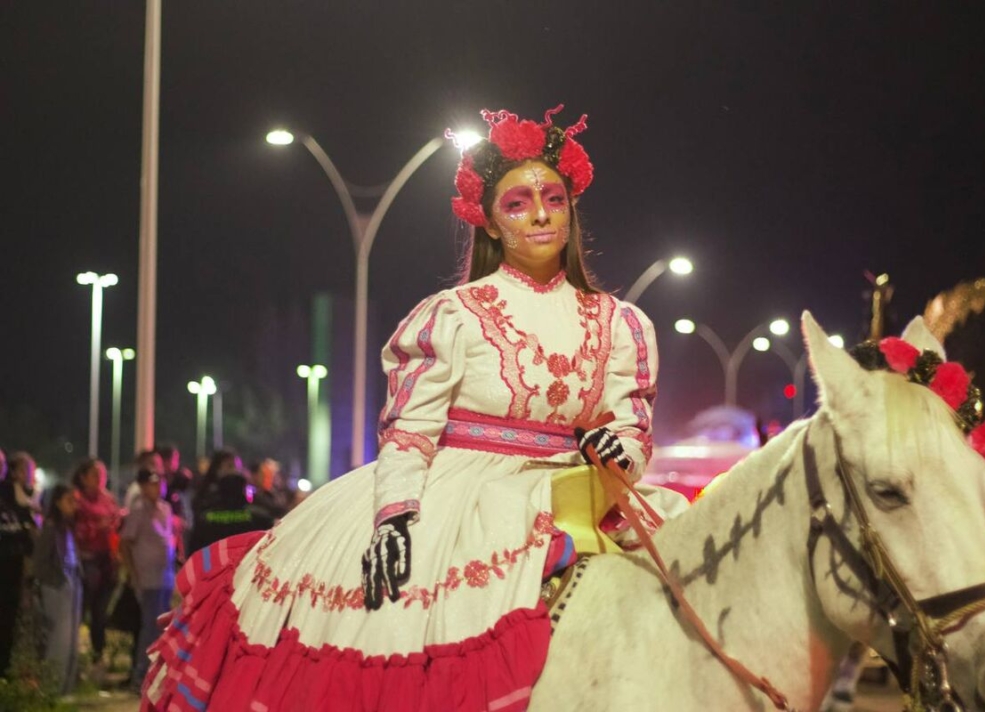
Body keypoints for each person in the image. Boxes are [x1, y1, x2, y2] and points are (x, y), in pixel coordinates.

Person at [141, 107, 686, 711]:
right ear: (491, 224)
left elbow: (630, 424)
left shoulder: (620, 323)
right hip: (465, 502)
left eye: (553, 198)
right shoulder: (453, 314)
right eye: (518, 203)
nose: (539, 212)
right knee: (405, 641)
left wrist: (621, 452)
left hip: (578, 492)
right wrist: (396, 515)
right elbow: (410, 432)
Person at [120, 469, 175, 690]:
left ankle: (157, 674)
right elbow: (125, 542)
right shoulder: (138, 510)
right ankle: (140, 675)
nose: (157, 487)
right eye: (152, 483)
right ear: (142, 486)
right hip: (147, 579)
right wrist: (132, 574)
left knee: (162, 629)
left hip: (165, 578)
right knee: (149, 628)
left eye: (159, 482)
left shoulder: (165, 509)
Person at [71, 457, 121, 671]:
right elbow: (74, 531)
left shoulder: (108, 499)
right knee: (82, 609)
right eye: (94, 474)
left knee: (101, 612)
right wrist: (95, 527)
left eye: (102, 474)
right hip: (87, 559)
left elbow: (116, 522)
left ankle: (97, 655)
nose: (100, 479)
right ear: (83, 478)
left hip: (107, 560)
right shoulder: (77, 500)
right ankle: (73, 656)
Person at [32, 484, 82, 694]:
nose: (74, 505)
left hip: (71, 585)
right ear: (58, 502)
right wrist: (57, 582)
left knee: (71, 640)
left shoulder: (66, 527)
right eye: (70, 500)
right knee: (58, 640)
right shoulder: (51, 527)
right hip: (58, 588)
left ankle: (65, 688)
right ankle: (52, 689)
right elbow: (40, 564)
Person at [189, 449, 271, 554]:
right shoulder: (204, 503)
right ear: (216, 469)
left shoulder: (255, 504)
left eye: (237, 467)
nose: (234, 471)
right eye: (229, 466)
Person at [0, 451, 37, 677]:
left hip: (13, 566)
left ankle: (4, 672)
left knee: (9, 621)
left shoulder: (9, 492)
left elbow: (29, 524)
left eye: (3, 464)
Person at [248, 458, 286, 522]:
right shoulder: (249, 492)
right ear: (254, 475)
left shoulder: (270, 493)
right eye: (262, 473)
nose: (265, 477)